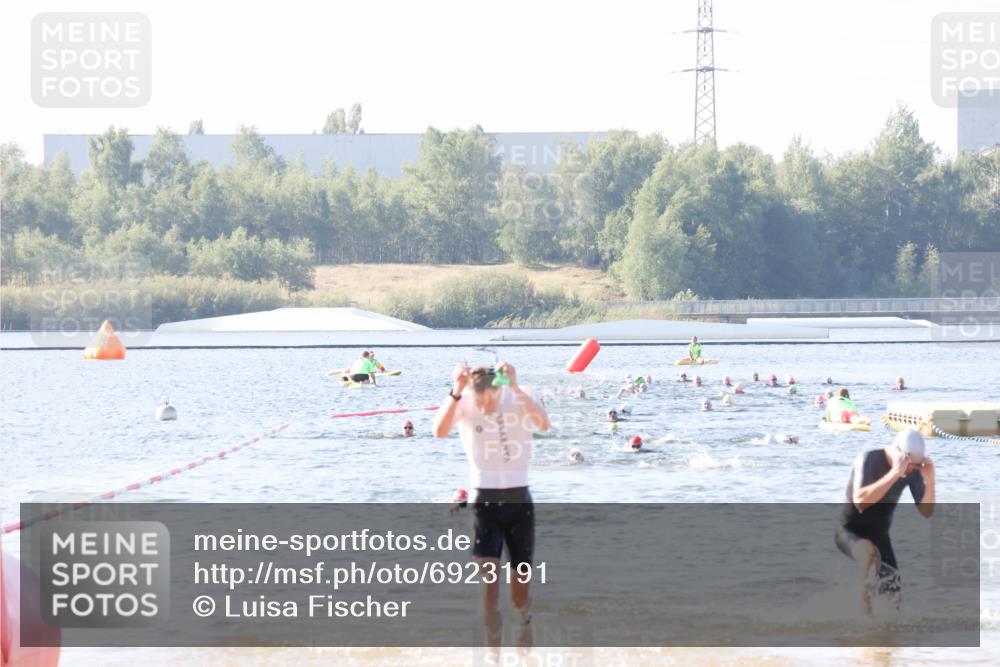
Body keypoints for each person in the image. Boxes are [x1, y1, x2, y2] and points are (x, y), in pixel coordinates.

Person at [432, 361, 550, 654]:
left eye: (489, 401)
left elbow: (543, 424)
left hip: (518, 502)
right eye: (480, 402)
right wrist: (456, 389)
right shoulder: (463, 400)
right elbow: (439, 431)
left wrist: (515, 386)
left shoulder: (516, 396)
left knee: (518, 594)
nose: (485, 408)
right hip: (483, 502)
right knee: (489, 584)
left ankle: (524, 625)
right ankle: (493, 656)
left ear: (498, 390)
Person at [835, 430, 935, 615]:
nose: (911, 470)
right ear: (898, 453)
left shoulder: (912, 471)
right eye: (909, 465)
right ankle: (862, 618)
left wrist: (930, 480)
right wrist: (895, 473)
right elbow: (860, 502)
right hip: (850, 532)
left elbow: (926, 511)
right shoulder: (868, 459)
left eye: (916, 465)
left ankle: (883, 632)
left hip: (880, 537)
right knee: (868, 554)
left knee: (893, 601)